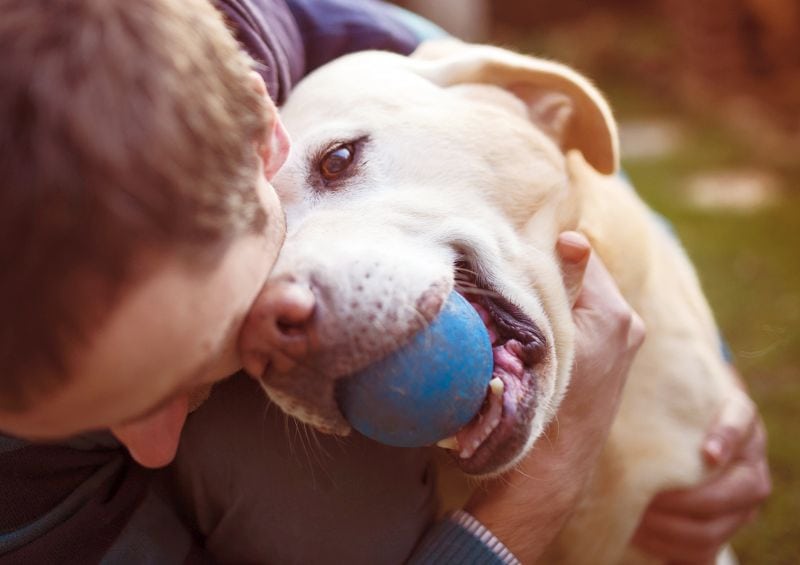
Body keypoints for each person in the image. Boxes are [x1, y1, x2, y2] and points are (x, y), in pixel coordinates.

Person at [0, 0, 768, 563]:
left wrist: (710, 383)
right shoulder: (25, 473)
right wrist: (521, 514)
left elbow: (553, 152)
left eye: (336, 165)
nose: (295, 294)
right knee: (311, 503)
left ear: (260, 135)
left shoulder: (362, 52)